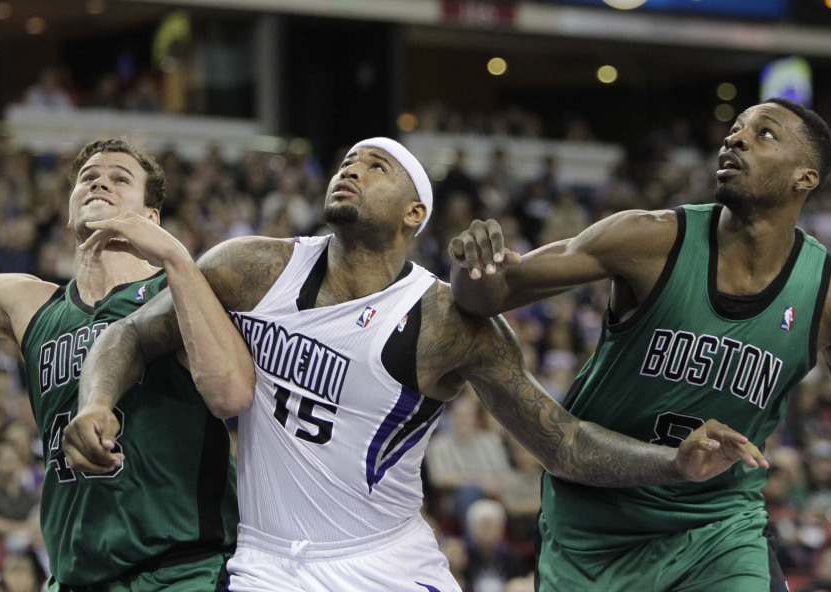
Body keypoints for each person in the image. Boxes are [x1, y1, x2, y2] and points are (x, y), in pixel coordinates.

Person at [63, 136, 767, 591]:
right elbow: (127, 337)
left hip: (385, 564)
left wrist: (671, 464)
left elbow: (563, 443)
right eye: (347, 161)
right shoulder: (254, 266)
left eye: (377, 166)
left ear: (414, 213)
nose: (351, 169)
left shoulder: (447, 324)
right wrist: (96, 404)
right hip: (265, 561)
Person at [447, 98, 831, 591]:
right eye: (735, 130)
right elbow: (489, 294)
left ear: (806, 178)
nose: (735, 139)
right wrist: (471, 269)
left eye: (765, 134)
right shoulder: (648, 239)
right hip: (595, 521)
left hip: (718, 525)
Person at [0, 137, 255, 590]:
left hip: (182, 568)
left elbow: (232, 392)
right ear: (70, 210)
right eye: (87, 178)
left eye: (119, 178)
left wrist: (175, 259)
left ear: (151, 218)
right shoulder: (29, 302)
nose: (99, 183)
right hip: (75, 576)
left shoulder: (181, 292)